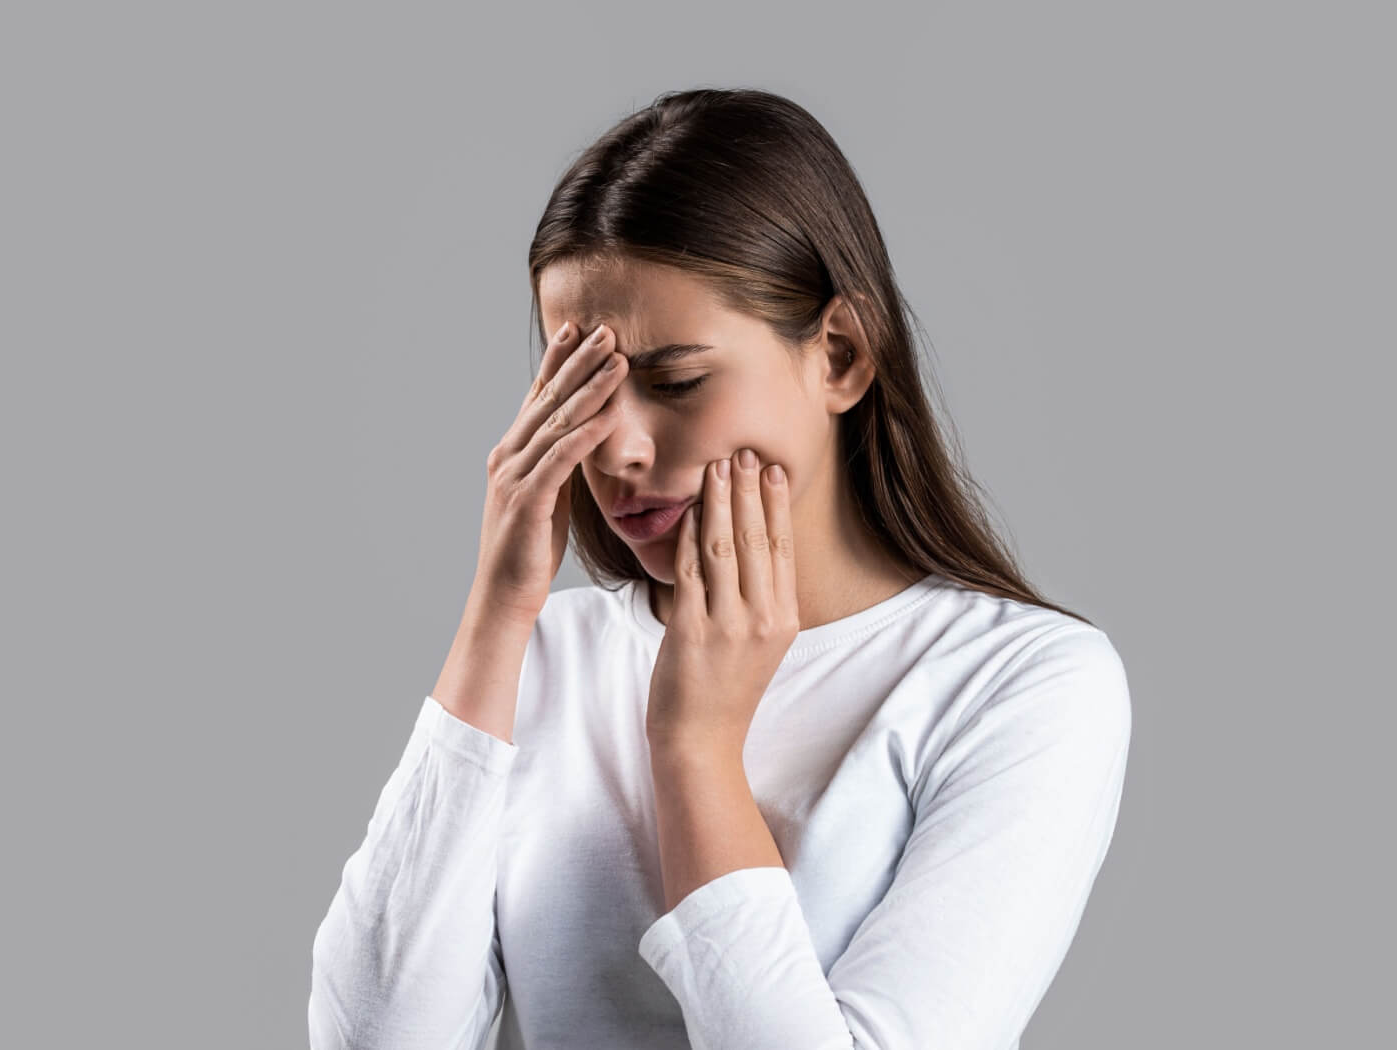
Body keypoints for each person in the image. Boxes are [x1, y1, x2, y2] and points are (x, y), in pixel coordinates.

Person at [308, 87, 1132, 1050]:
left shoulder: (1021, 685)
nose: (614, 448)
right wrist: (497, 614)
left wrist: (695, 749)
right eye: (580, 388)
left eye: (676, 383)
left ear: (840, 354)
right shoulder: (544, 659)